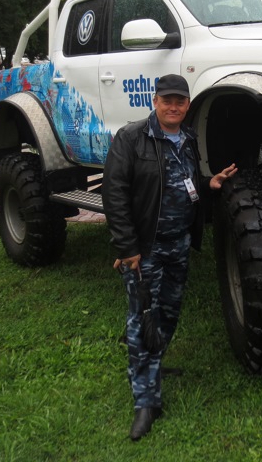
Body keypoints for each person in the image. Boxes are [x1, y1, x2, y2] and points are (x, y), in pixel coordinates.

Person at [102, 73, 237, 441]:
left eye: (180, 101)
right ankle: (146, 402)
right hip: (144, 249)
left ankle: (152, 366)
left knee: (170, 313)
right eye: (167, 100)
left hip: (179, 245)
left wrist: (209, 185)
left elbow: (184, 182)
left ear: (187, 105)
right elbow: (114, 195)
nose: (173, 106)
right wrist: (127, 247)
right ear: (155, 101)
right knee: (143, 319)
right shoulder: (131, 138)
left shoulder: (188, 139)